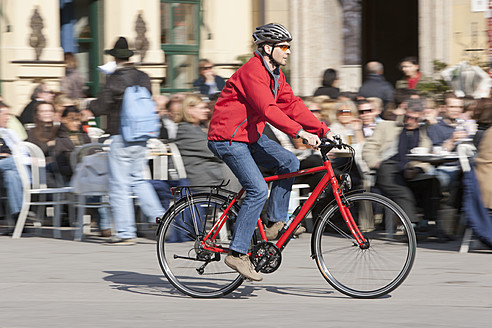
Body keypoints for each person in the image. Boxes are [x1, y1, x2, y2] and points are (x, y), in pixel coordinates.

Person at [207, 23, 331, 281]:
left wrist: (322, 130)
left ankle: (275, 223)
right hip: (228, 138)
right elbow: (268, 109)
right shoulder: (252, 71)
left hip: (249, 136)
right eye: (284, 47)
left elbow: (292, 105)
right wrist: (299, 132)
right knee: (257, 190)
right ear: (267, 48)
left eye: (289, 47)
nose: (288, 52)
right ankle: (237, 253)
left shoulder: (275, 74)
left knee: (288, 161)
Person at [89, 36, 165, 245]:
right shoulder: (144, 77)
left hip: (120, 136)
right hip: (142, 137)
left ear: (114, 58)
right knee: (138, 180)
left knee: (119, 185)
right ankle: (161, 219)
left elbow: (101, 107)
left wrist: (90, 105)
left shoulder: (114, 78)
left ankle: (125, 232)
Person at [362, 99, 447, 240]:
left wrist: (417, 170)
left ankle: (429, 223)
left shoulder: (423, 132)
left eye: (415, 119)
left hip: (409, 170)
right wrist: (377, 164)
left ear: (420, 118)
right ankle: (411, 226)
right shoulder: (387, 126)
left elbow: (425, 156)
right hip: (387, 168)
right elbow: (369, 149)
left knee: (432, 183)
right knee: (403, 192)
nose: (410, 121)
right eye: (408, 117)